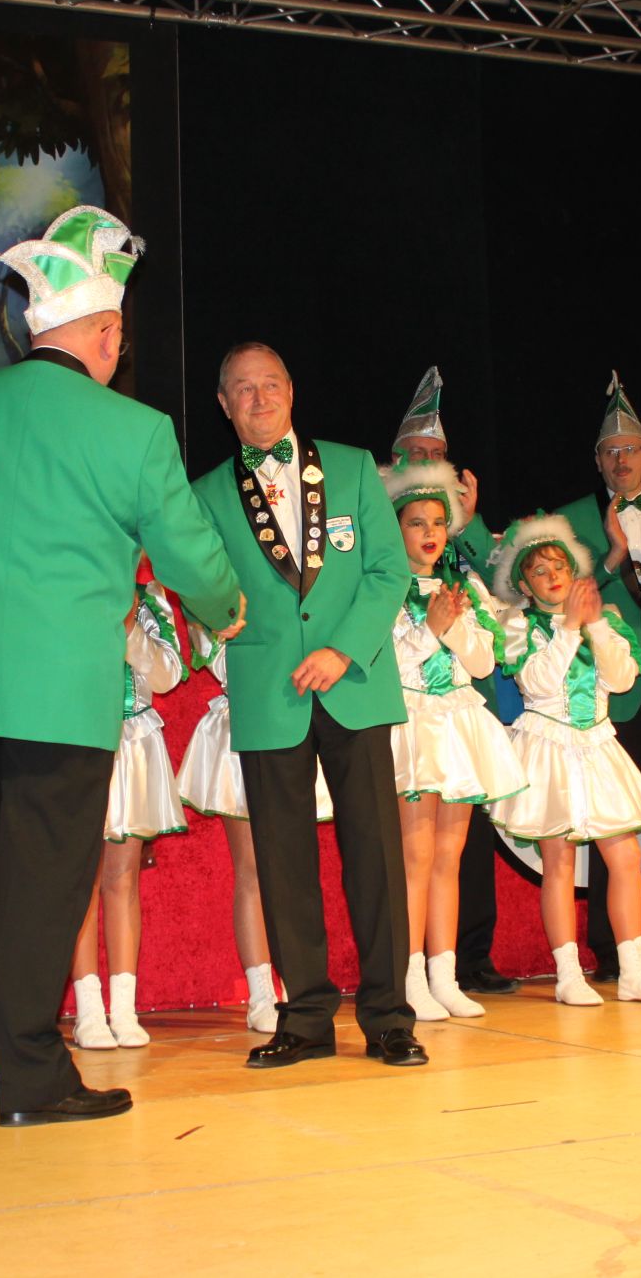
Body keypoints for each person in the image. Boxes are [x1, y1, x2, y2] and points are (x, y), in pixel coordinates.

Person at [0, 205, 243, 1126]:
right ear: (108, 331)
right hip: (61, 687)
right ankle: (32, 1077)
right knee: (44, 880)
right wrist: (226, 607)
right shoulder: (134, 429)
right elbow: (191, 556)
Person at [193, 342, 422, 1070]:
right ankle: (307, 1018)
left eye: (270, 385)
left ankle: (389, 1017)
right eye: (242, 389)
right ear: (223, 404)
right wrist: (214, 617)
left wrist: (343, 650)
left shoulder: (352, 468)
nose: (259, 399)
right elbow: (202, 586)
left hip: (353, 684)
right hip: (269, 690)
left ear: (291, 391)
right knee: (283, 864)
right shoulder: (205, 493)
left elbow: (388, 570)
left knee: (376, 858)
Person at [486, 515, 641, 1005]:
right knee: (559, 860)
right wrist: (569, 627)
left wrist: (594, 624)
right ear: (523, 585)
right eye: (539, 570)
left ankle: (634, 971)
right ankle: (569, 974)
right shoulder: (518, 625)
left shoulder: (603, 620)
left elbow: (621, 679)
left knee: (626, 855)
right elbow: (539, 683)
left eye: (560, 566)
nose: (552, 576)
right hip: (547, 745)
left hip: (597, 743)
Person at [552, 373, 641, 977]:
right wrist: (612, 557)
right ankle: (609, 953)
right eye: (609, 451)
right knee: (604, 822)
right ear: (597, 460)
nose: (620, 460)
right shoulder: (569, 520)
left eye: (630, 449)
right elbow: (559, 596)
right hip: (608, 689)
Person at [381, 459, 527, 1020]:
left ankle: (444, 976)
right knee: (415, 857)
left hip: (458, 721)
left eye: (438, 522)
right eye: (416, 522)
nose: (429, 533)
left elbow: (484, 661)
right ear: (396, 528)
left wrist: (457, 623)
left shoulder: (463, 587)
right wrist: (431, 627)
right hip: (412, 722)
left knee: (449, 856)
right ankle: (409, 977)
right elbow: (388, 664)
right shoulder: (384, 587)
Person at [173, 623, 324, 1033]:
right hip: (242, 724)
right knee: (254, 868)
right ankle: (260, 993)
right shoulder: (214, 607)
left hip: (294, 725)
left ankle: (299, 986)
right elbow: (226, 662)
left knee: (293, 868)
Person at [70, 580, 188, 1050]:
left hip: (135, 742)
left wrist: (129, 629)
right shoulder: (70, 588)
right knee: (80, 880)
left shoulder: (149, 600)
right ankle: (88, 1011)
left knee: (122, 878)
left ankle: (123, 1007)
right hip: (80, 736)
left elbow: (167, 676)